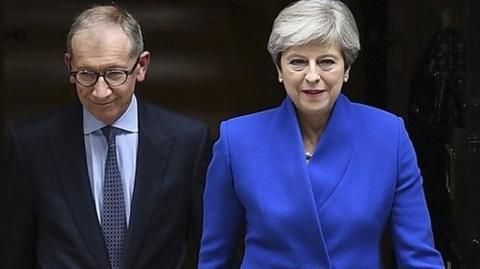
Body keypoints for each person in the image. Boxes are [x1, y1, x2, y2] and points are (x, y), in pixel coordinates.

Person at [198, 0, 445, 268]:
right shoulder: (237, 140)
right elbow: (214, 258)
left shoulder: (388, 136)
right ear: (279, 70)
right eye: (298, 62)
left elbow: (419, 257)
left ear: (347, 68)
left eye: (326, 61)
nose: (312, 75)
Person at [0, 4, 210, 269]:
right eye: (86, 74)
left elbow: (212, 246)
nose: (101, 92)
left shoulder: (187, 142)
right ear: (69, 66)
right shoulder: (32, 146)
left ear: (142, 66)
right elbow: (14, 252)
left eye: (114, 74)